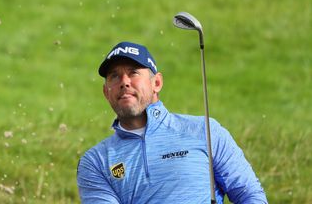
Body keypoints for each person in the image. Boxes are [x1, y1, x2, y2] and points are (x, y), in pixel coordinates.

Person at [77, 41, 267, 203]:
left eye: (133, 72)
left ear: (156, 83)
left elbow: (249, 194)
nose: (124, 82)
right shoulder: (96, 161)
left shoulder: (205, 130)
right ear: (106, 92)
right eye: (114, 76)